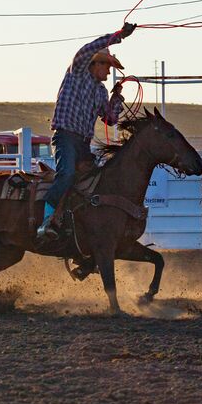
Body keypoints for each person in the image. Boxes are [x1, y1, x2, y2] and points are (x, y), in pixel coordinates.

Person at [37, 23, 134, 241]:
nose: (109, 72)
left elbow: (110, 119)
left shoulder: (100, 91)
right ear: (95, 63)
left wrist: (116, 97)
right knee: (67, 175)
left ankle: (83, 229)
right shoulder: (77, 73)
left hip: (82, 143)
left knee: (95, 182)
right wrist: (119, 36)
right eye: (107, 66)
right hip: (65, 137)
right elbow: (88, 49)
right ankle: (47, 220)